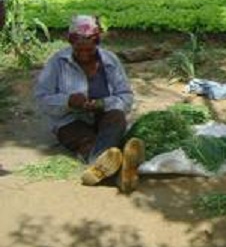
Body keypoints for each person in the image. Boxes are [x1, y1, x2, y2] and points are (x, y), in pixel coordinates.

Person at [34, 15, 144, 193]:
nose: (84, 54)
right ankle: (122, 171)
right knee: (87, 142)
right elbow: (42, 99)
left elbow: (125, 96)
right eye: (79, 50)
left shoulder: (110, 61)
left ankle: (97, 167)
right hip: (70, 120)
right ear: (71, 42)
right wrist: (67, 101)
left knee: (116, 117)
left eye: (89, 50)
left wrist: (103, 103)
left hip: (104, 117)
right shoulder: (57, 63)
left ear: (97, 42)